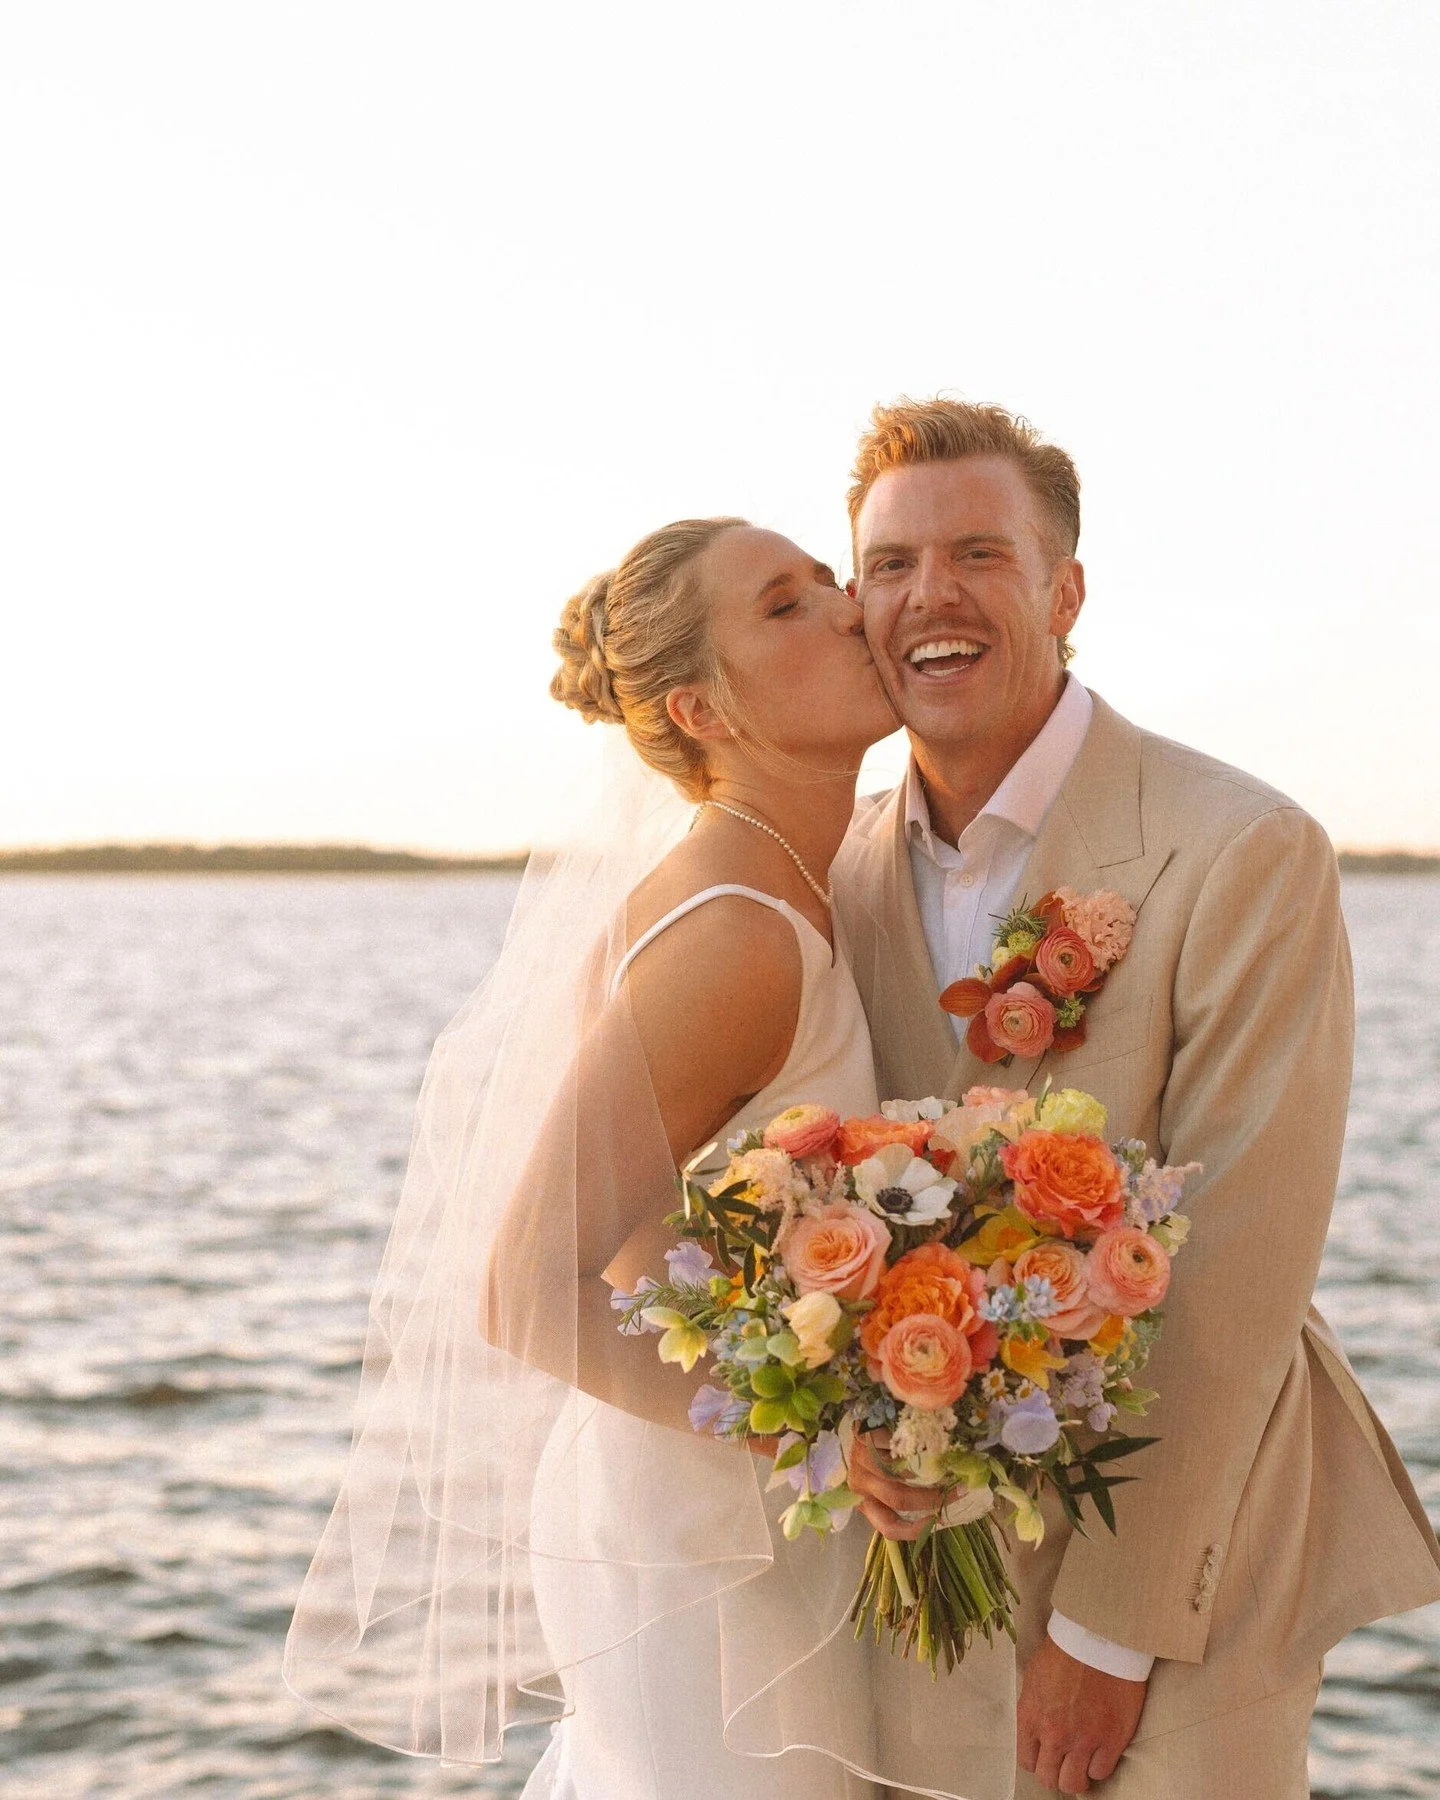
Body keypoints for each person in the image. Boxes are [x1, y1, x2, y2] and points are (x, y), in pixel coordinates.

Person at [284, 514, 1014, 1799]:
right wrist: (822, 1435)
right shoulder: (730, 935)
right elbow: (527, 1286)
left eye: (826, 581)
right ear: (703, 707)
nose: (852, 608)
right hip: (691, 1547)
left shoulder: (802, 880)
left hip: (753, 1515)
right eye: (784, 607)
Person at [831, 396, 1440, 1797]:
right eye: (890, 564)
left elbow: (1236, 1268)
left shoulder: (1243, 850)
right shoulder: (833, 871)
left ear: (1066, 590)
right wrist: (867, 1435)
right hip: (922, 1568)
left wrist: (1111, 1633)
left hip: (1188, 1576)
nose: (933, 596)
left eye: (981, 554)